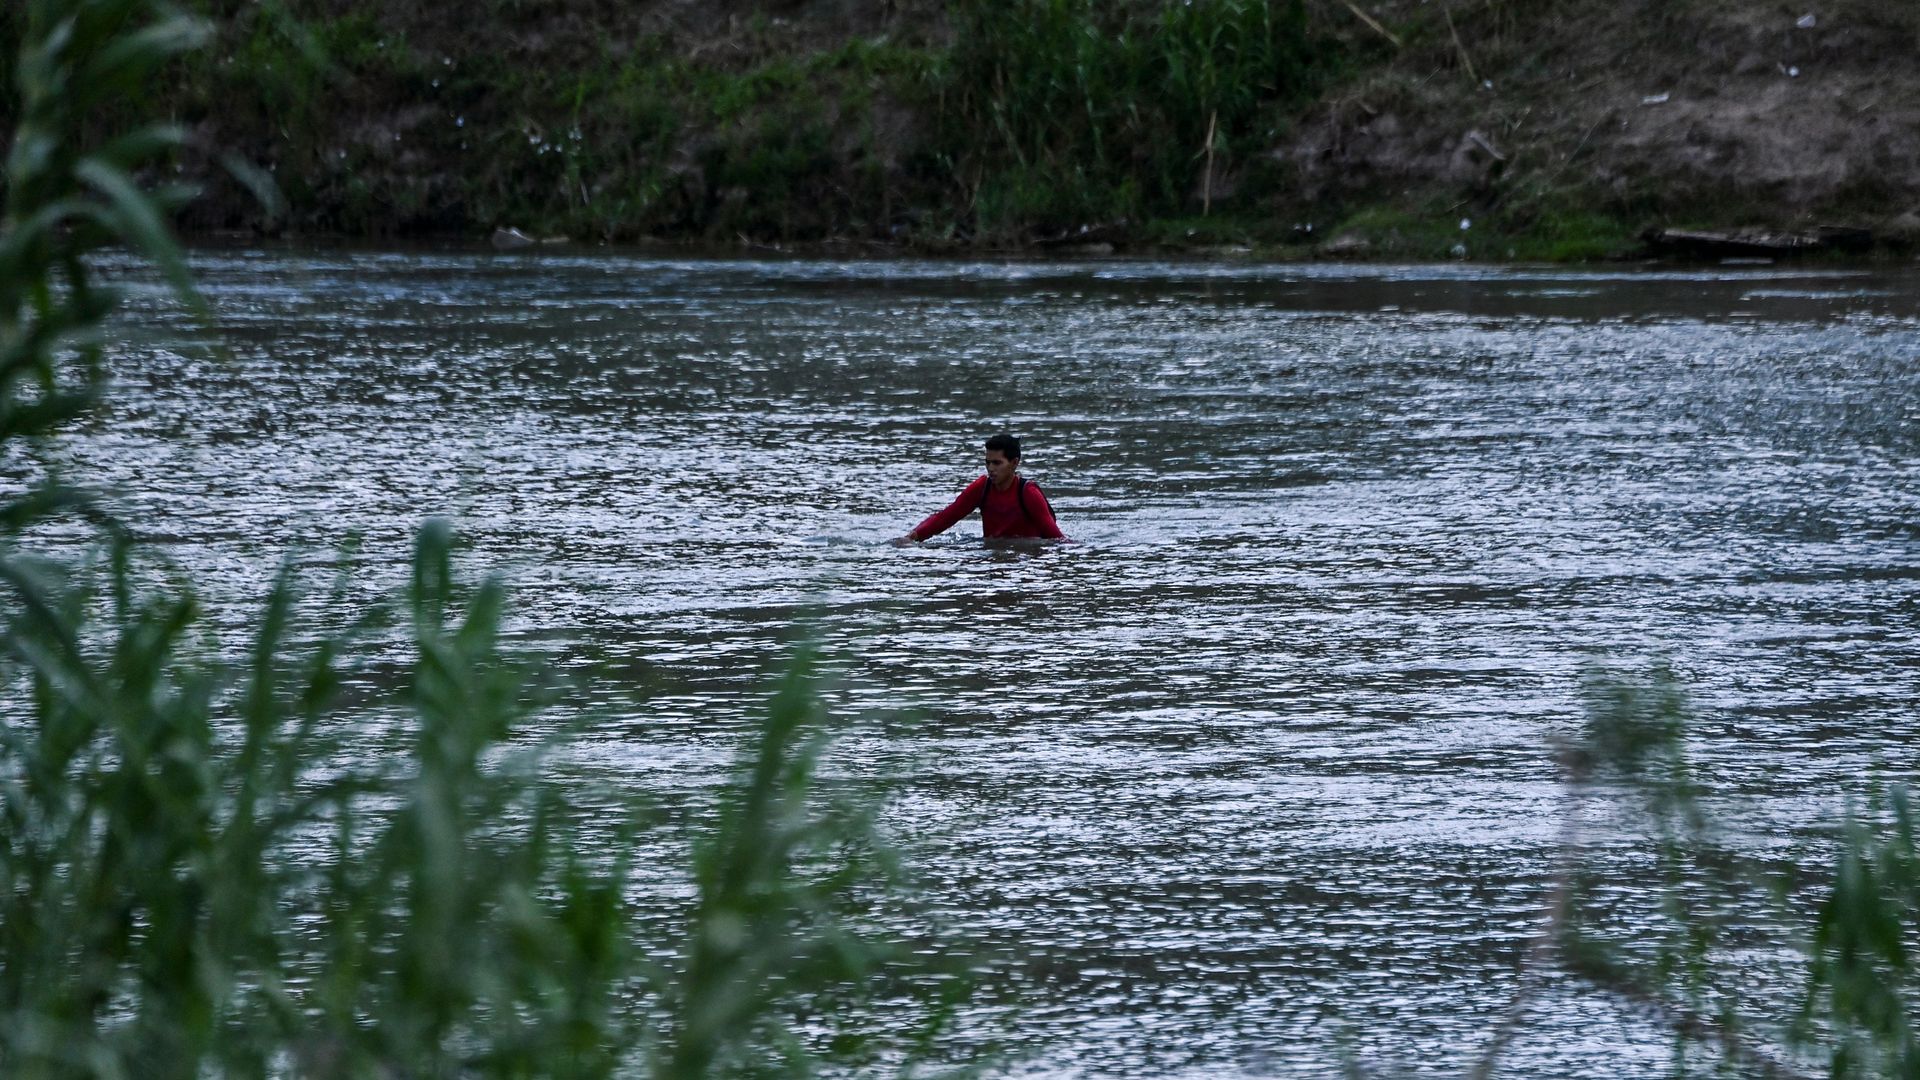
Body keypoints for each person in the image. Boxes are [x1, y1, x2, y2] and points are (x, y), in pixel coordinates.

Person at [895, 434, 1065, 544]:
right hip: (992, 555)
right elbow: (947, 516)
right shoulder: (981, 487)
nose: (990, 468)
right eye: (987, 462)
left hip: (1025, 561)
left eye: (997, 463)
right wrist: (913, 536)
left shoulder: (1028, 493)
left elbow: (1056, 538)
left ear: (1014, 463)